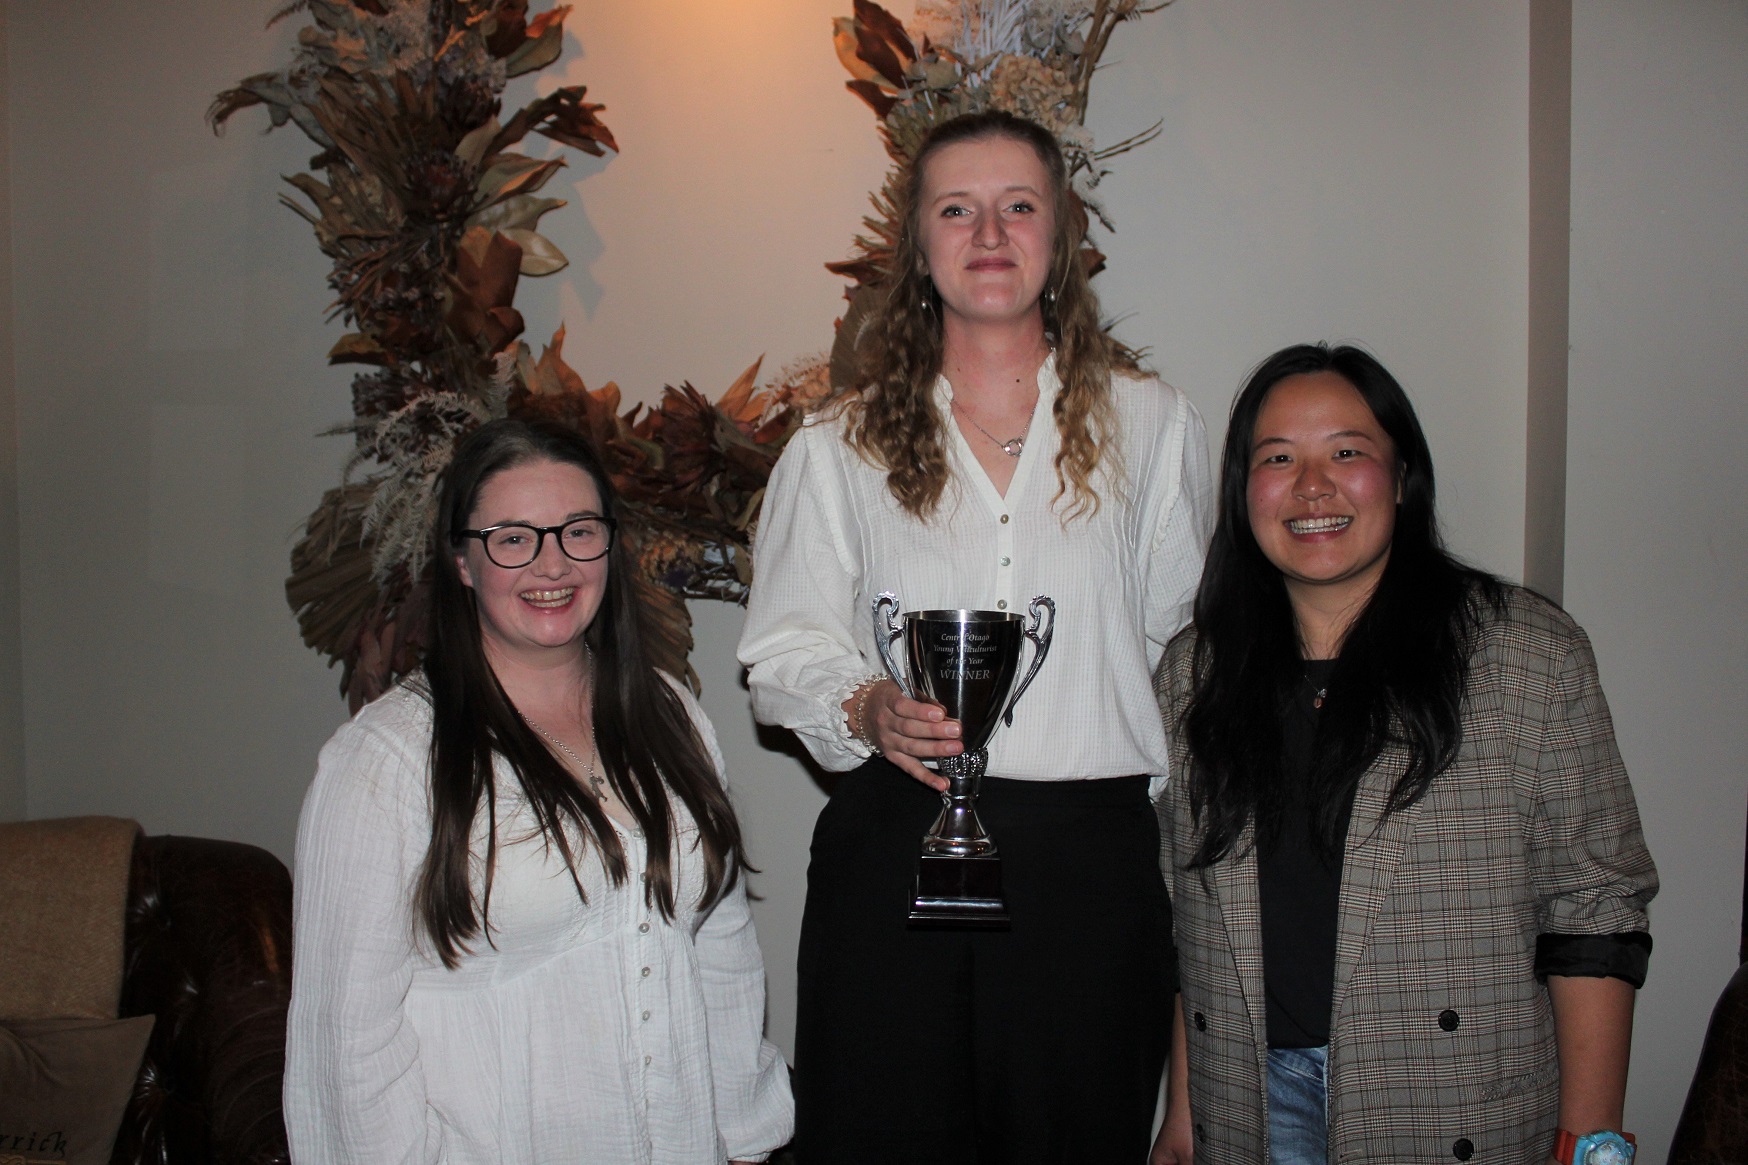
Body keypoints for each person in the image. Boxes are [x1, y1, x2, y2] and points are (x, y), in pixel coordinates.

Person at [738, 110, 1213, 1162]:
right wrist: (862, 704)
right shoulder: (835, 445)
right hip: (893, 844)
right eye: (956, 208)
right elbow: (779, 652)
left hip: (1087, 868)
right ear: (916, 243)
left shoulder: (1153, 425)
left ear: (1061, 236)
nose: (987, 231)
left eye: (1017, 205)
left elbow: (1180, 653)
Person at [1150, 344, 1658, 1165]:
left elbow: (1594, 912)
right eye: (1278, 458)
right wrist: (1184, 1108)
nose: (1313, 486)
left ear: (1402, 473)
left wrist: (1591, 1142)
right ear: (1244, 490)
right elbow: (1190, 919)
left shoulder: (1527, 654)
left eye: (1347, 451)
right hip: (1246, 1100)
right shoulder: (1195, 672)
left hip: (1451, 1098)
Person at [285, 419, 793, 1165]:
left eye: (577, 530)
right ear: (462, 560)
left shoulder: (666, 710)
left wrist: (748, 1137)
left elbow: (717, 941)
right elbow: (349, 1045)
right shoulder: (384, 761)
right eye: (513, 538)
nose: (552, 563)